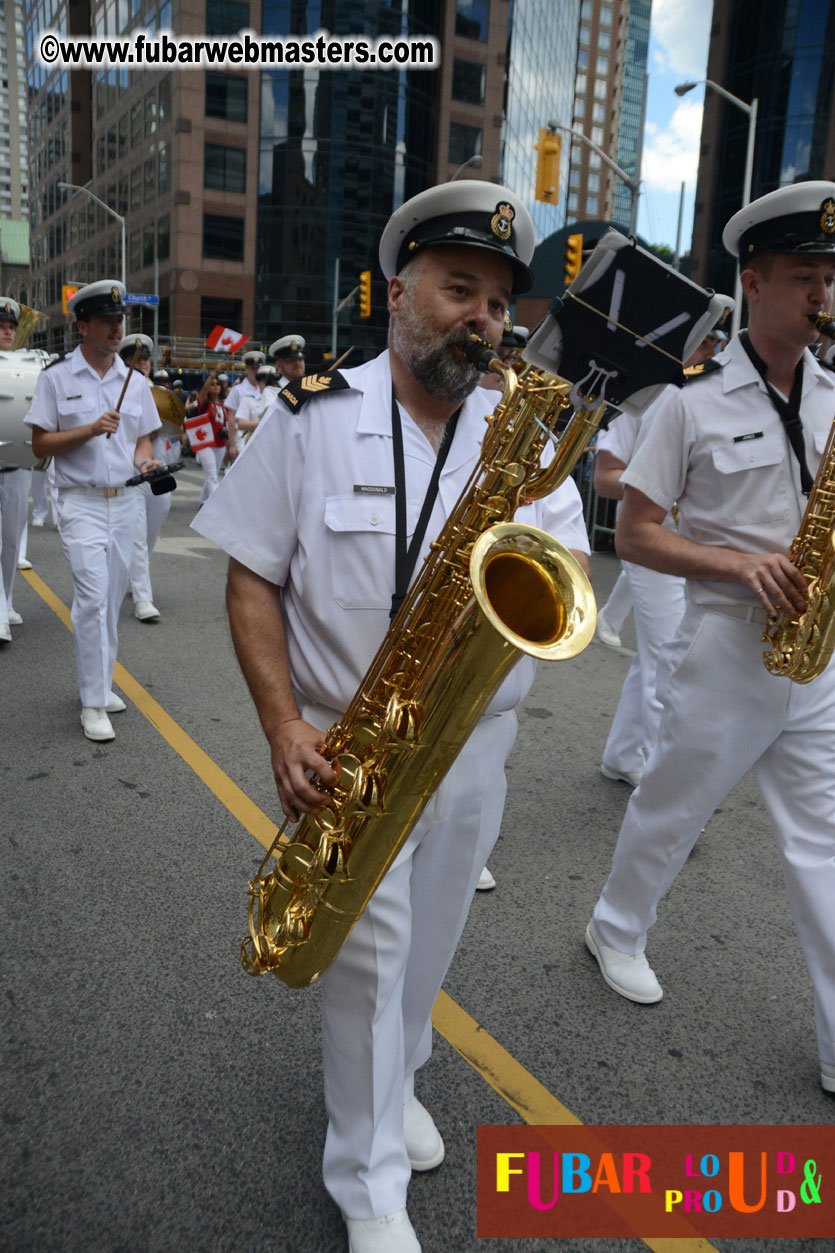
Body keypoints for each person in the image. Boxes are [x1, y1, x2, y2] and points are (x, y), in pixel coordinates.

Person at [193, 180, 591, 1251]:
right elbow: (249, 576)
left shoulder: (518, 431)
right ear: (398, 292)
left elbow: (563, 572)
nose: (482, 320)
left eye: (498, 304)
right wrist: (283, 726)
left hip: (475, 742)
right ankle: (366, 1180)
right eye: (459, 289)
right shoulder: (311, 415)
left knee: (430, 946)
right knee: (369, 966)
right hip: (348, 741)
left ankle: (400, 1074)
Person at [585, 181, 835, 1096]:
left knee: (824, 845)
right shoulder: (686, 402)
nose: (823, 295)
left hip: (815, 654)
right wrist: (736, 565)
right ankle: (614, 926)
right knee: (671, 806)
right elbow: (635, 533)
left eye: (830, 278)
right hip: (727, 642)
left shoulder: (833, 394)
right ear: (753, 281)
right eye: (805, 277)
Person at [25, 280, 160, 741]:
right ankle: (92, 702)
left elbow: (142, 441)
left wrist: (146, 462)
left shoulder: (135, 381)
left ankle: (101, 682)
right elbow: (40, 443)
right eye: (106, 321)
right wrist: (88, 429)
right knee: (92, 599)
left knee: (111, 600)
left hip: (125, 501)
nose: (116, 329)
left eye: (119, 321)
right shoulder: (56, 378)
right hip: (80, 502)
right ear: (82, 326)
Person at [593, 411, 686, 788]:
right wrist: (671, 485)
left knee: (658, 654)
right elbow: (604, 478)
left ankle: (623, 755)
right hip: (652, 541)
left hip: (700, 546)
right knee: (669, 662)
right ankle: (664, 787)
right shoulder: (643, 396)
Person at [121, 333, 169, 622]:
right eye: (136, 359)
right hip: (130, 471)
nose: (143, 363)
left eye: (146, 359)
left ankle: (137, 571)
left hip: (157, 468)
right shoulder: (118, 389)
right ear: (125, 361)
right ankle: (143, 598)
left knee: (156, 522)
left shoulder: (157, 392)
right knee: (137, 534)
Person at [0, 297, 26, 642]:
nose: (7, 332)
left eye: (11, 327)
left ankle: (6, 599)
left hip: (17, 465)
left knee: (11, 540)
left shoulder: (26, 367)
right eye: (1, 327)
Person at [187, 369, 236, 503]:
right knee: (212, 477)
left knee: (212, 475)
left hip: (220, 444)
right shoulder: (204, 402)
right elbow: (203, 390)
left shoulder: (224, 405)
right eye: (212, 384)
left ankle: (204, 501)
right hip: (205, 444)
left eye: (217, 384)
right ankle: (216, 505)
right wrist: (214, 373)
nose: (215, 386)